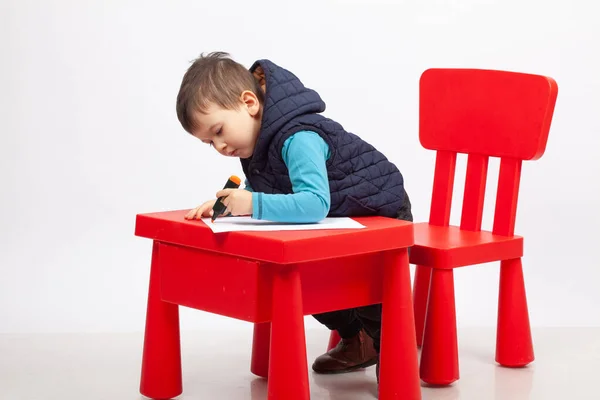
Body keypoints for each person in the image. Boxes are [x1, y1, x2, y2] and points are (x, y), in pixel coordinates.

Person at [176, 51, 412, 381]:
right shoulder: (260, 148)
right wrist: (229, 204)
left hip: (382, 211)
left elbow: (314, 203)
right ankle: (358, 339)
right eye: (208, 142)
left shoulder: (298, 137)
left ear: (249, 103)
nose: (220, 146)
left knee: (365, 287)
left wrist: (253, 203)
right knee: (305, 280)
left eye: (218, 130)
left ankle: (392, 347)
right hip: (345, 217)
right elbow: (275, 189)